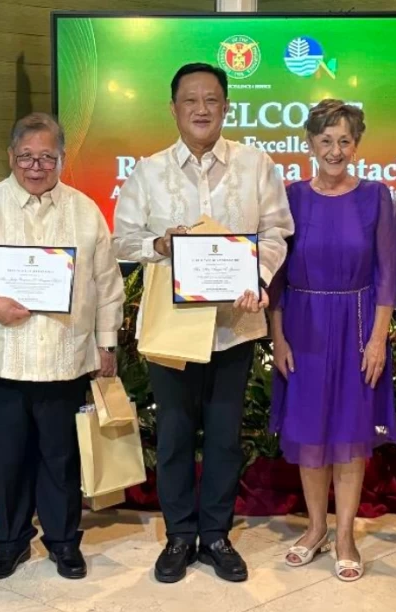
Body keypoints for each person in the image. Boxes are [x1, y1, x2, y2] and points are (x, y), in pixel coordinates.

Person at [113, 62, 294, 584]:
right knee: (172, 435)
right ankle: (178, 535)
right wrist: (158, 243)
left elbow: (277, 231)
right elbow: (122, 239)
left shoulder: (256, 165)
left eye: (211, 100)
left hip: (233, 325)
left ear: (226, 107)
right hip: (173, 330)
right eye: (190, 100)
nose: (201, 109)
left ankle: (215, 535)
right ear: (173, 109)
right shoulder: (148, 172)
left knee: (224, 436)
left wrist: (257, 275)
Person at [0, 112, 124, 581]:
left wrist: (107, 343)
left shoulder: (85, 210)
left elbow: (107, 283)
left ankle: (64, 541)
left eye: (47, 157)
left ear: (62, 159)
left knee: (60, 458)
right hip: (2, 357)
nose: (36, 166)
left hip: (65, 359)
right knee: (7, 459)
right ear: (10, 156)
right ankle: (10, 542)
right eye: (26, 156)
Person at [270, 99, 396, 582]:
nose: (335, 150)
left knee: (348, 435)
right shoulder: (291, 198)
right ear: (309, 143)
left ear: (357, 145)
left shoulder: (376, 196)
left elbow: (388, 273)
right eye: (326, 140)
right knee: (308, 433)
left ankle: (345, 536)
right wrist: (278, 338)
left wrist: (378, 340)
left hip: (357, 326)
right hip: (303, 327)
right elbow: (276, 277)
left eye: (345, 140)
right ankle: (315, 528)